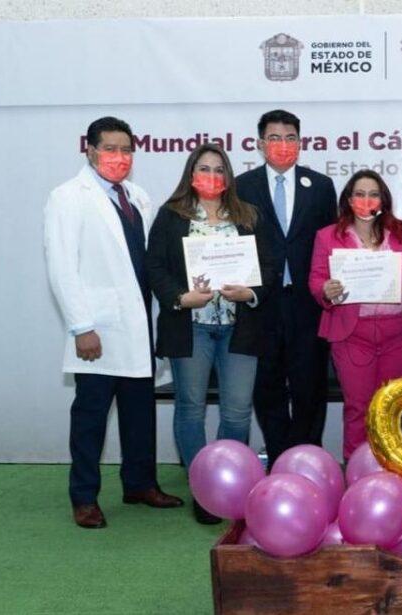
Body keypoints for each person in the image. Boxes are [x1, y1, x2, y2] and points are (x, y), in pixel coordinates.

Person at [44, 116, 182, 529]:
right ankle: (84, 497)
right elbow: (62, 267)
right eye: (110, 149)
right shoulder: (68, 197)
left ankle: (140, 484)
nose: (119, 157)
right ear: (89, 151)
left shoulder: (137, 196)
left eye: (126, 150)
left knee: (140, 412)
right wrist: (81, 326)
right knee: (90, 417)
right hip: (97, 328)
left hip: (138, 325)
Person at [145, 144, 279, 524]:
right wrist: (179, 297)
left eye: (219, 169)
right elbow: (154, 266)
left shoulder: (248, 215)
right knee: (191, 409)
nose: (212, 176)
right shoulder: (172, 215)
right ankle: (203, 489)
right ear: (191, 173)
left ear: (229, 176)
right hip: (191, 328)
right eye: (204, 168)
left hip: (240, 328)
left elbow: (269, 265)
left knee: (237, 412)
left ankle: (228, 483)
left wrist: (250, 292)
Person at [235, 110, 337, 469]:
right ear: (260, 143)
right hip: (261, 304)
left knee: (310, 386)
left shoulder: (320, 186)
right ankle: (280, 460)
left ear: (300, 142)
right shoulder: (241, 186)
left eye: (290, 137)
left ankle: (307, 461)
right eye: (274, 138)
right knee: (267, 386)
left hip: (308, 304)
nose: (283, 144)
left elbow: (331, 244)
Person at [308, 170, 402, 459]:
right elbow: (316, 279)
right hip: (352, 334)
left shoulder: (401, 232)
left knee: (392, 407)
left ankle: (394, 470)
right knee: (358, 407)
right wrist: (325, 289)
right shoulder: (328, 236)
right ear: (348, 199)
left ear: (383, 200)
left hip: (397, 333)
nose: (366, 200)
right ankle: (358, 471)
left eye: (373, 194)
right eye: (360, 194)